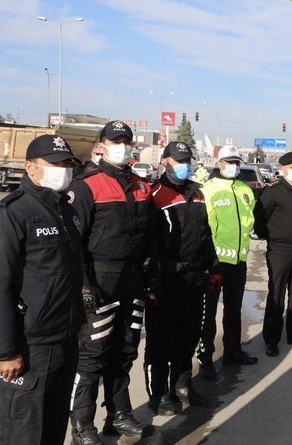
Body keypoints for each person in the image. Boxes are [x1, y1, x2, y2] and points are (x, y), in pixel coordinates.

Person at [67, 121, 154, 443]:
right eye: (115, 141)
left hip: (132, 279)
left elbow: (149, 238)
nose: (122, 146)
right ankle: (82, 426)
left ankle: (118, 415)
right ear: (101, 145)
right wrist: (84, 286)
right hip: (99, 279)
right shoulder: (87, 185)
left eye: (127, 141)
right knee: (91, 357)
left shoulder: (140, 185)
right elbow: (73, 242)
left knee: (125, 352)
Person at [0, 135, 84, 445]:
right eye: (55, 164)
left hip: (64, 340)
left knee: (53, 427)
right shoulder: (13, 214)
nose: (62, 170)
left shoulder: (65, 211)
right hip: (30, 347)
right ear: (30, 168)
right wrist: (7, 351)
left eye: (67, 164)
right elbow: (2, 286)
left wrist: (79, 321)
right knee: (24, 432)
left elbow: (71, 274)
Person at [143, 142, 215, 416]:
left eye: (187, 160)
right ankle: (158, 394)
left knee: (188, 336)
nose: (184, 164)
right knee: (161, 340)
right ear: (165, 162)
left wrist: (212, 267)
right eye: (178, 160)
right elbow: (147, 242)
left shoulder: (196, 193)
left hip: (194, 278)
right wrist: (153, 279)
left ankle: (182, 386)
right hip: (166, 279)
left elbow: (205, 235)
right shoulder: (155, 195)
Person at [198, 145, 258, 378]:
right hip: (215, 261)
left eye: (236, 161)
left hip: (239, 260)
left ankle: (233, 350)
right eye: (229, 161)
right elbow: (203, 227)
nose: (234, 166)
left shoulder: (245, 190)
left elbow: (250, 221)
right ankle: (205, 358)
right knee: (208, 313)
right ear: (219, 163)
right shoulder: (208, 190)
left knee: (234, 310)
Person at [254, 152, 292, 357]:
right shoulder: (274, 192)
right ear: (282, 170)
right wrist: (270, 237)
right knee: (277, 294)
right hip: (280, 250)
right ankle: (271, 339)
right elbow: (260, 218)